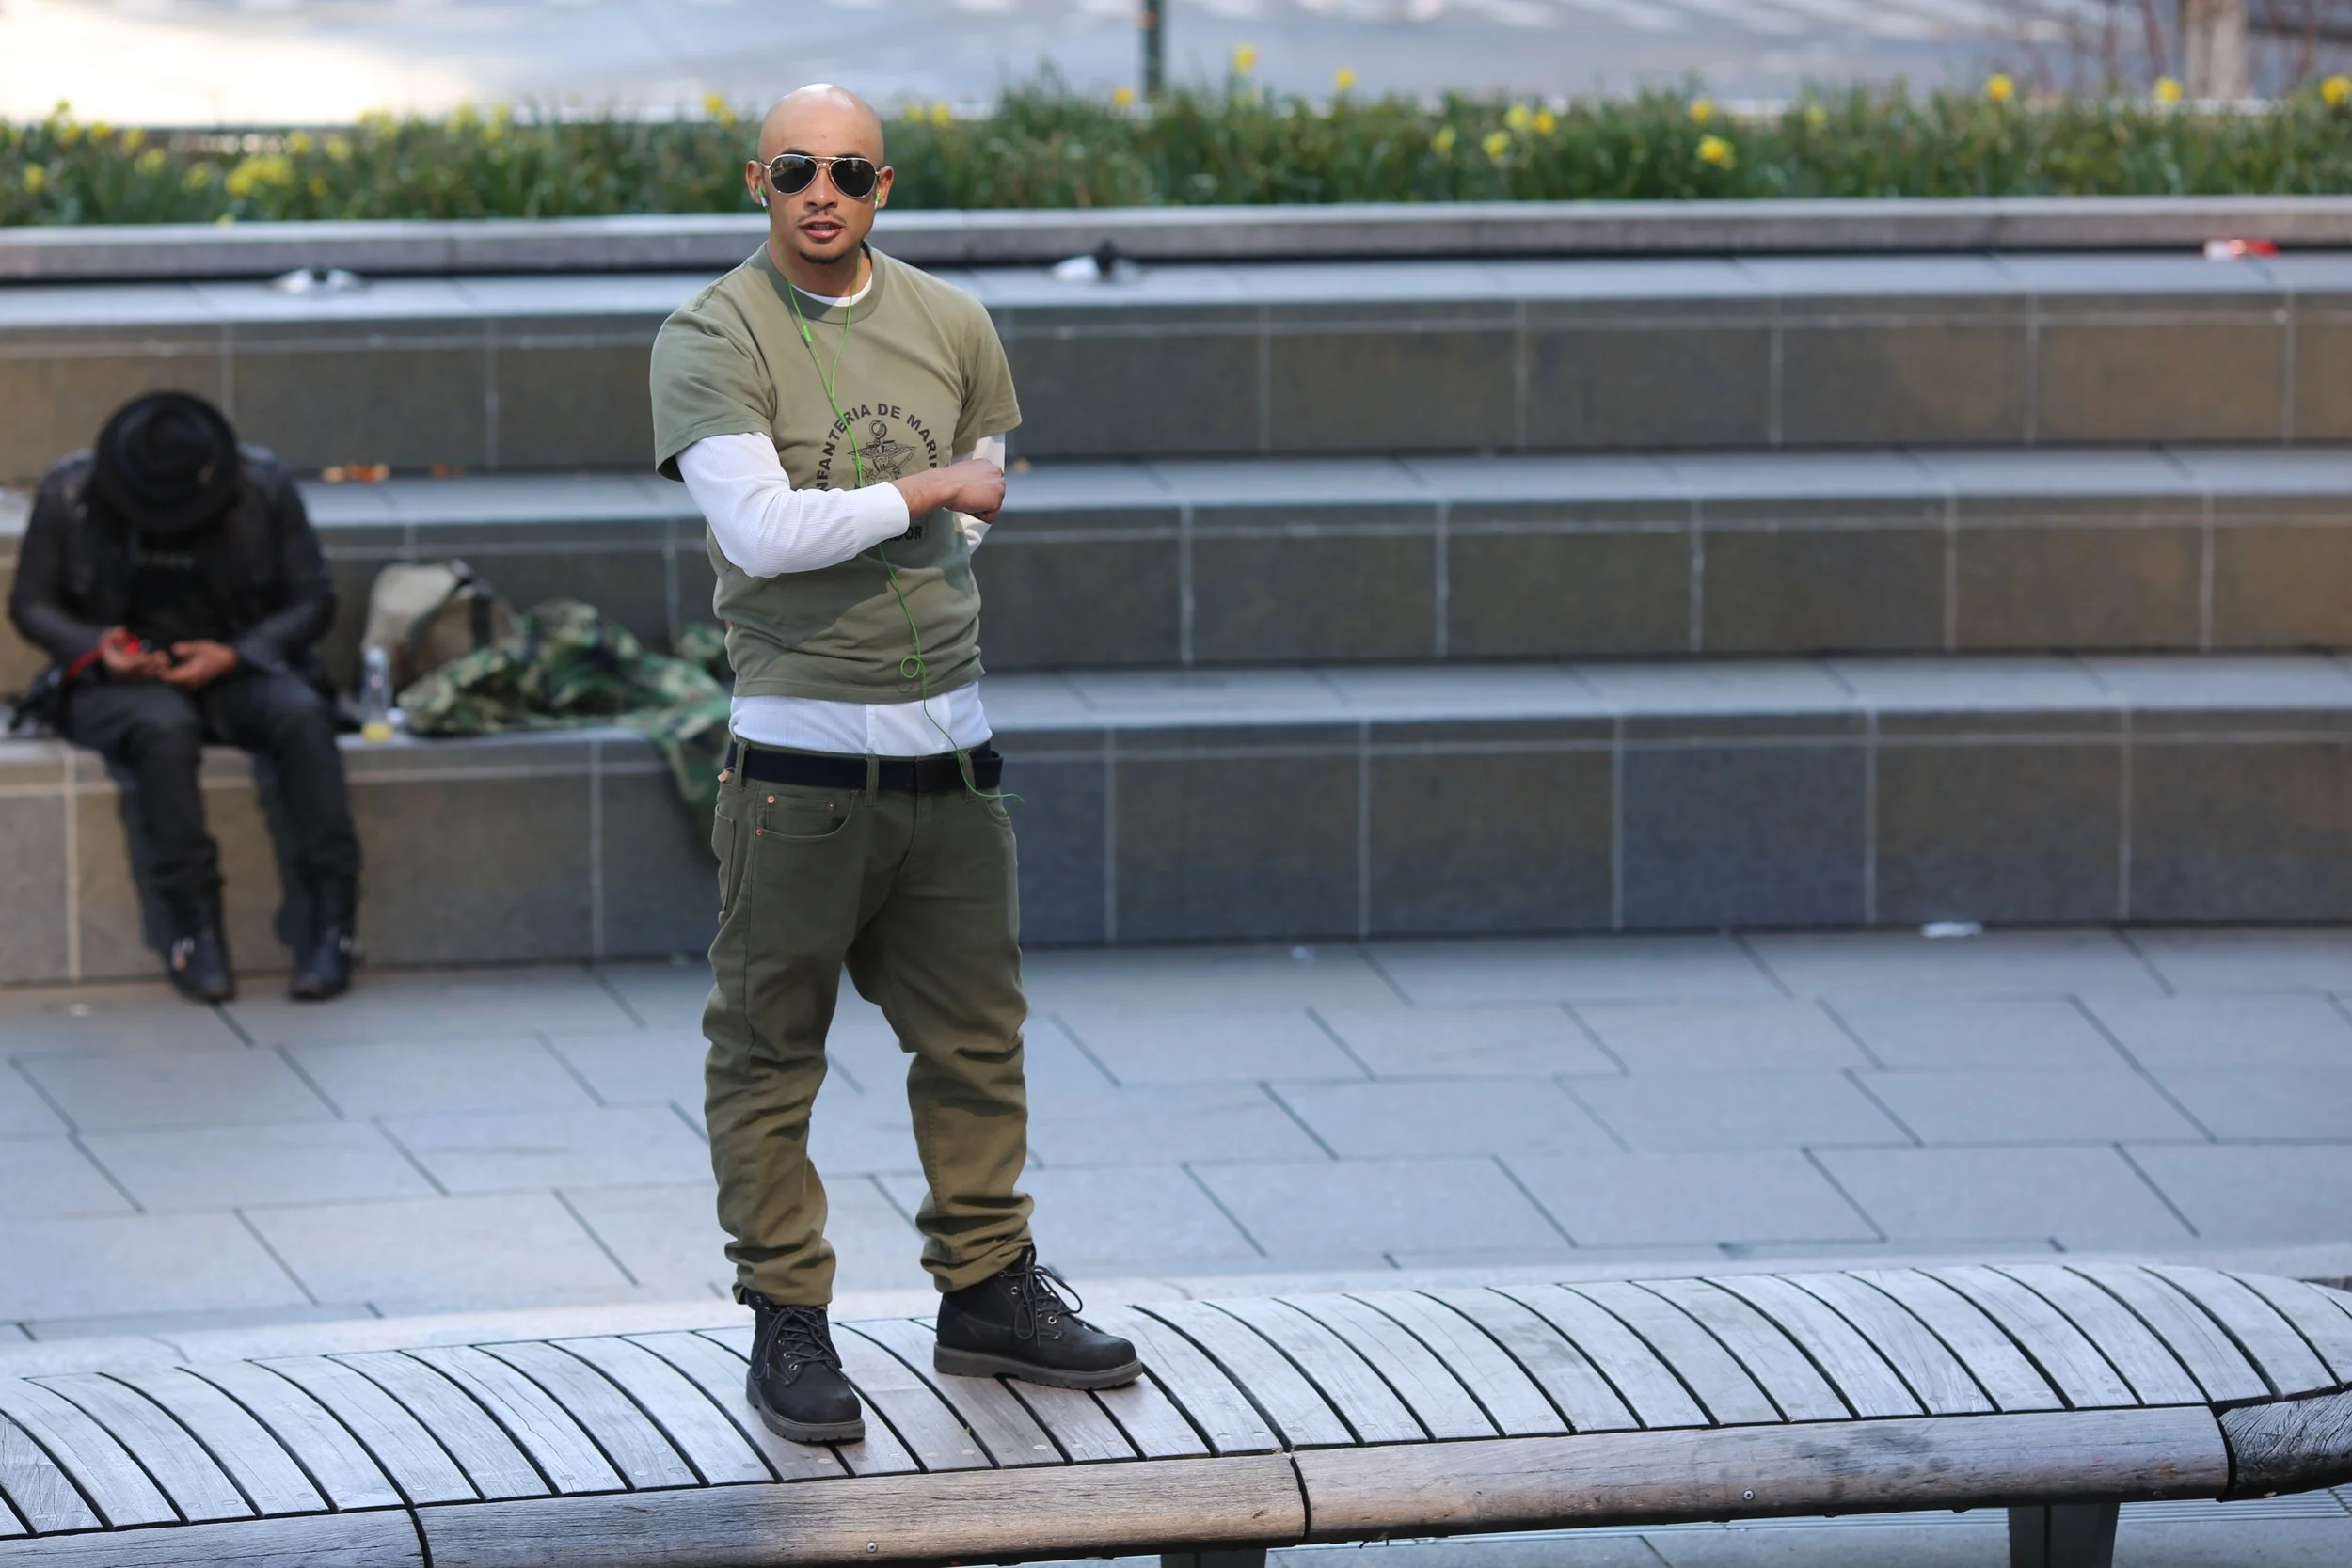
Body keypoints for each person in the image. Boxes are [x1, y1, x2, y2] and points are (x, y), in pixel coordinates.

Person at [649, 83, 1139, 1445]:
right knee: (770, 1052)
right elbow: (763, 532)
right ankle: (787, 1313)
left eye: (850, 172)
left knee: (977, 1037)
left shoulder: (953, 322)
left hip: (953, 751)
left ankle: (986, 1289)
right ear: (757, 180)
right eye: (796, 168)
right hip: (799, 765)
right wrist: (915, 496)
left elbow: (986, 493)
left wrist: (889, 515)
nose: (823, 191)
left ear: (884, 186)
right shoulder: (710, 333)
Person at [8, 391, 360, 1004]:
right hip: (121, 681)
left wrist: (237, 653)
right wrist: (99, 647)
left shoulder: (263, 486)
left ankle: (334, 922)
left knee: (302, 715)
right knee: (164, 731)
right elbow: (31, 603)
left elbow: (313, 600)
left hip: (236, 660)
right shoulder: (70, 492)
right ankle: (196, 928)